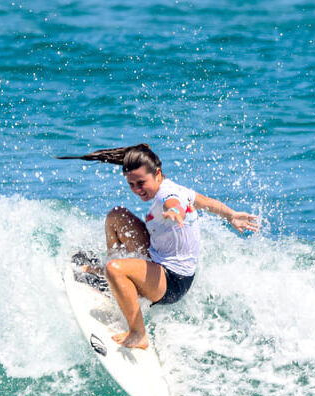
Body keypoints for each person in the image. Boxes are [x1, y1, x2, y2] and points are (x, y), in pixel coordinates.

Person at [58, 144, 259, 350]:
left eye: (141, 183)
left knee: (115, 268)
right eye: (131, 184)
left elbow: (173, 203)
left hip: (173, 282)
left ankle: (138, 334)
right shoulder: (175, 187)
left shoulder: (169, 194)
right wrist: (231, 215)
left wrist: (176, 212)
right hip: (157, 260)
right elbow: (205, 201)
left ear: (158, 173)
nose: (137, 190)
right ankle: (114, 283)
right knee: (117, 216)